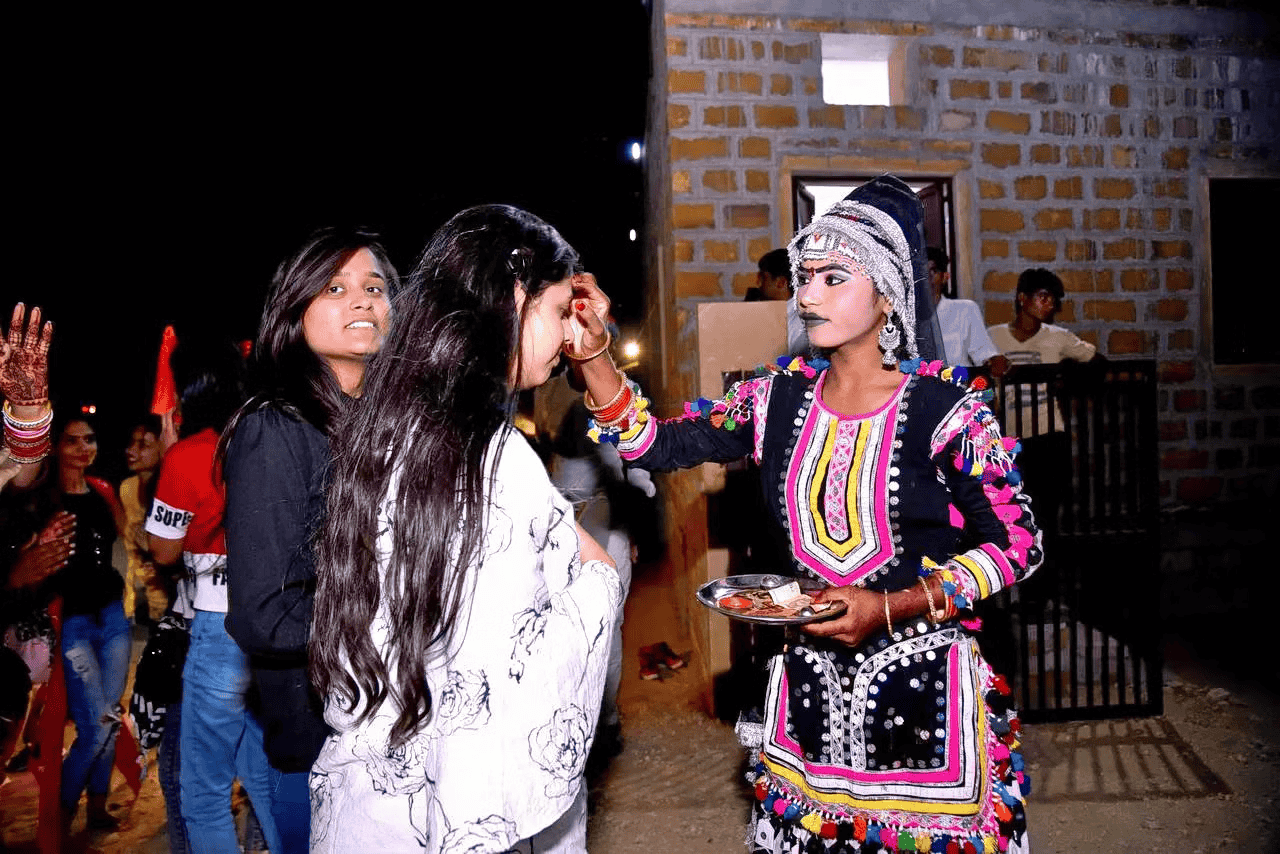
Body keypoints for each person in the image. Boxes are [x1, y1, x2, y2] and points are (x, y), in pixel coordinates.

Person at [575, 176, 1039, 852]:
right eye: (804, 279)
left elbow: (1017, 545)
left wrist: (892, 606)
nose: (807, 296)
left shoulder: (951, 413)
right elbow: (654, 443)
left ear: (888, 295)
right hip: (809, 695)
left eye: (833, 279)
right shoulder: (774, 401)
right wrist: (593, 354)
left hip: (925, 697)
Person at [309, 205, 623, 852]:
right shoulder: (492, 456)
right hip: (463, 809)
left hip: (376, 802)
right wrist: (600, 577)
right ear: (516, 299)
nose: (567, 334)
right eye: (559, 310)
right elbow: (507, 675)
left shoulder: (385, 423)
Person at [222, 227, 398, 853]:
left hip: (391, 730)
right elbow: (264, 615)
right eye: (335, 288)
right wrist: (392, 633)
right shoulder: (275, 427)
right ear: (294, 311)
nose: (362, 300)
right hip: (319, 744)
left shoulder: (384, 425)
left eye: (375, 287)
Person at [148, 339, 280, 854]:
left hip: (216, 625)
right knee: (261, 774)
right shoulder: (267, 439)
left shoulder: (188, 455)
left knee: (203, 793)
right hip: (269, 622)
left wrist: (169, 460)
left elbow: (163, 551)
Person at [927, 247, 1008, 376]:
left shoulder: (964, 310)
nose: (926, 278)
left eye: (933, 272)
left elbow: (984, 353)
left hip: (958, 385)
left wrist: (995, 361)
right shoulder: (899, 317)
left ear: (945, 277)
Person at [121, 414, 169, 623]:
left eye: (143, 445)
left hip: (172, 603)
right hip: (141, 605)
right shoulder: (128, 489)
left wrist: (155, 549)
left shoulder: (172, 492)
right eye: (131, 443)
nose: (131, 451)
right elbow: (131, 555)